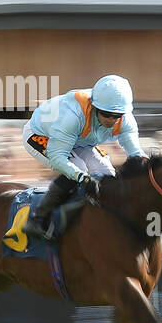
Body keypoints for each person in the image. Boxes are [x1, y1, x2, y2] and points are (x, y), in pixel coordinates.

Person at [19, 74, 149, 241]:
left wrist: (148, 166)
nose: (111, 120)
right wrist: (82, 178)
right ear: (94, 108)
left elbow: (136, 154)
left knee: (106, 173)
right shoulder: (72, 117)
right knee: (78, 169)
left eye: (116, 116)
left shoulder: (125, 118)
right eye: (106, 114)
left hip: (79, 140)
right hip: (42, 135)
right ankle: (37, 219)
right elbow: (58, 157)